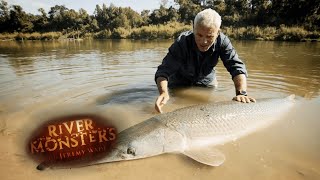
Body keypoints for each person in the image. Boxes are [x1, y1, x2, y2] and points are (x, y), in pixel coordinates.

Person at [154, 8, 256, 113]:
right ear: (193, 28)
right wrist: (163, 92)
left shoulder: (223, 42)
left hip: (207, 81)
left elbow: (236, 67)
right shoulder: (182, 42)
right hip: (179, 81)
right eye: (199, 35)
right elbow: (163, 71)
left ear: (217, 33)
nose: (204, 41)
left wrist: (241, 93)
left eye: (210, 36)